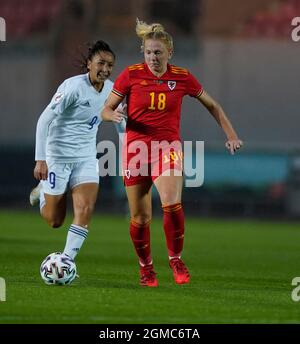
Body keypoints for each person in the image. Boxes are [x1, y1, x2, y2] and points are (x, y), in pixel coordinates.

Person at [101, 19, 243, 287]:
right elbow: (106, 109)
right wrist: (113, 115)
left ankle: (175, 259)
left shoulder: (182, 76)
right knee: (141, 218)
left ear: (169, 53)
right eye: (148, 52)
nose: (153, 57)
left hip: (168, 148)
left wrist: (231, 135)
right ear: (143, 52)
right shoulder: (130, 75)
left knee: (171, 203)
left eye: (158, 52)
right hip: (136, 150)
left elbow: (212, 105)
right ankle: (146, 269)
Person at [30, 40, 125, 263]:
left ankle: (66, 261)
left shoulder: (113, 90)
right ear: (89, 64)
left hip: (86, 157)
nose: (105, 69)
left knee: (85, 208)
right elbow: (44, 121)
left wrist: (127, 147)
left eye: (110, 65)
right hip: (57, 156)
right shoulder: (73, 87)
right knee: (55, 221)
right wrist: (40, 160)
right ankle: (43, 190)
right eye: (101, 63)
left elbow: (120, 121)